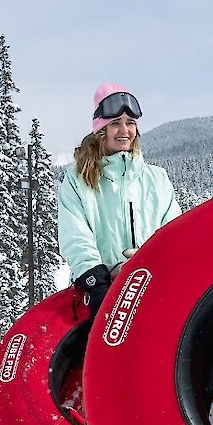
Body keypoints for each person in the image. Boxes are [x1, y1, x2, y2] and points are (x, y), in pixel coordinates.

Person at [58, 84, 182, 313]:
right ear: (101, 130)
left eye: (130, 123)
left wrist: (155, 265)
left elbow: (174, 235)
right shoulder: (79, 180)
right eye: (115, 123)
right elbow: (74, 235)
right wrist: (95, 280)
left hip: (153, 292)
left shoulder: (157, 180)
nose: (124, 130)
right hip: (97, 295)